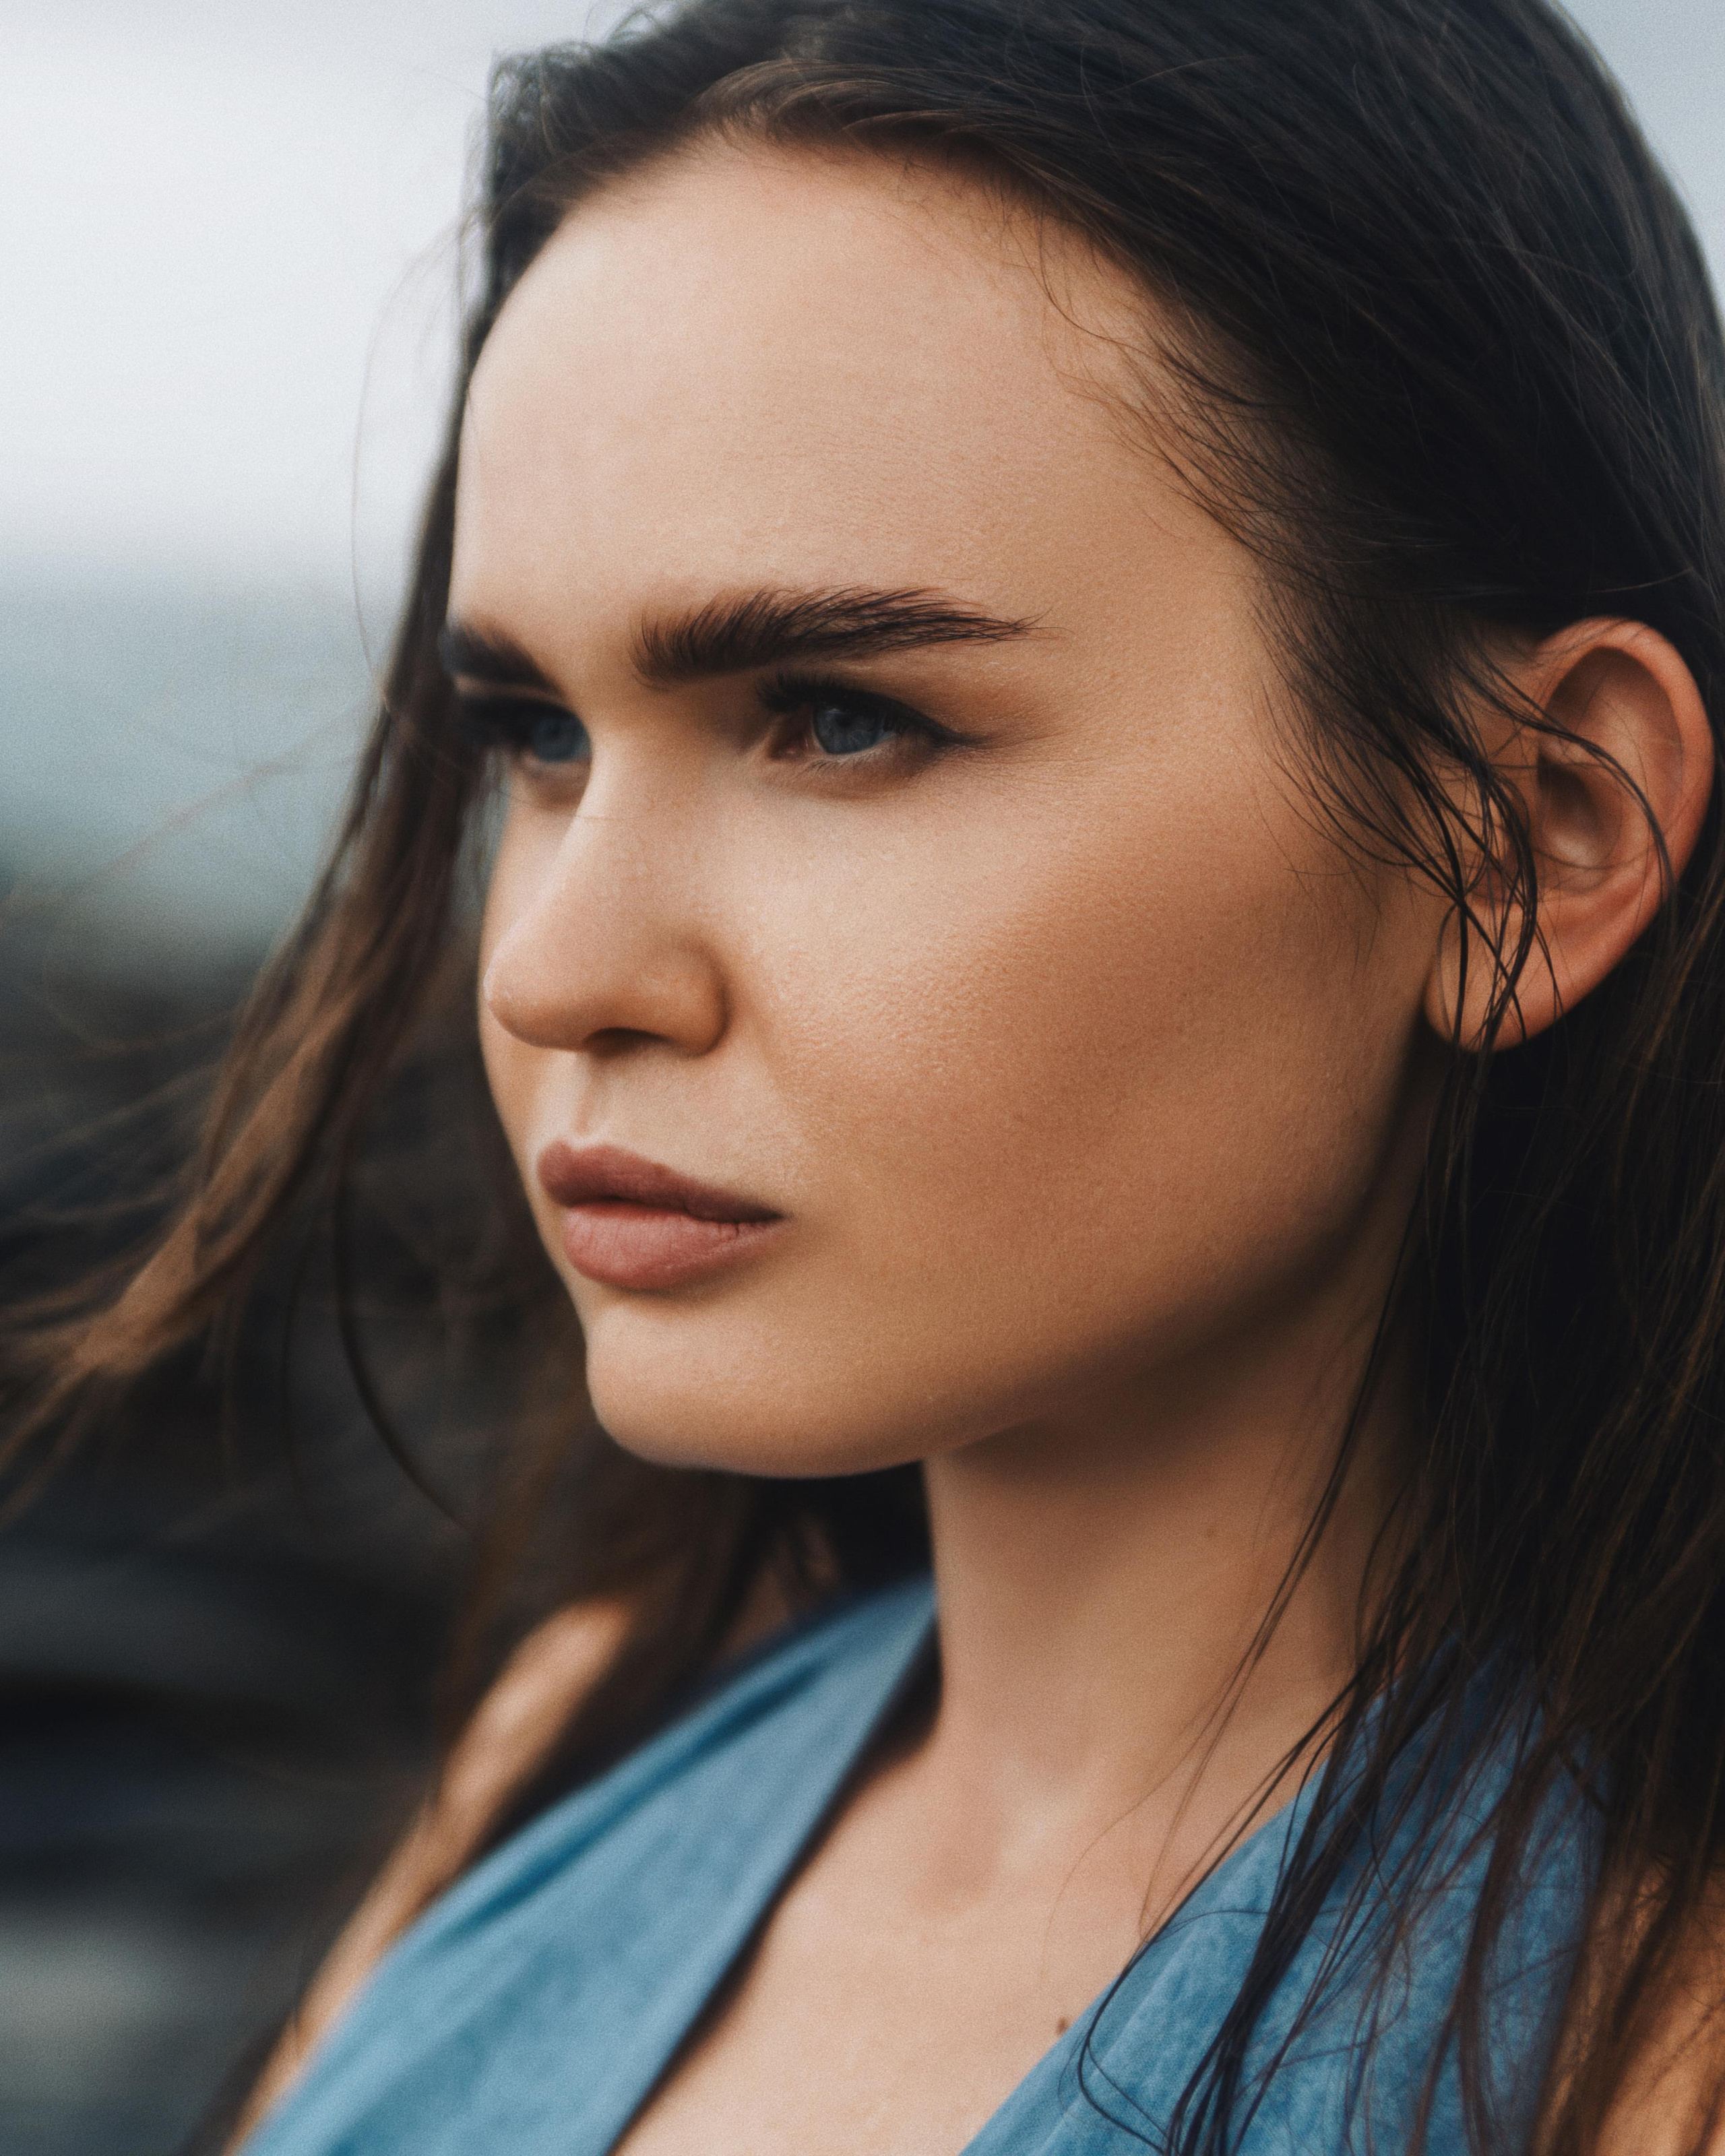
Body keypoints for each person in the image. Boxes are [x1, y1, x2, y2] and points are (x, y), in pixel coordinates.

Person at [29, 0, 1725, 2147]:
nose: (554, 970)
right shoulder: (565, 1758)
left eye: (840, 718)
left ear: (1540, 832)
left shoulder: (1644, 2050)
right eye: (534, 737)